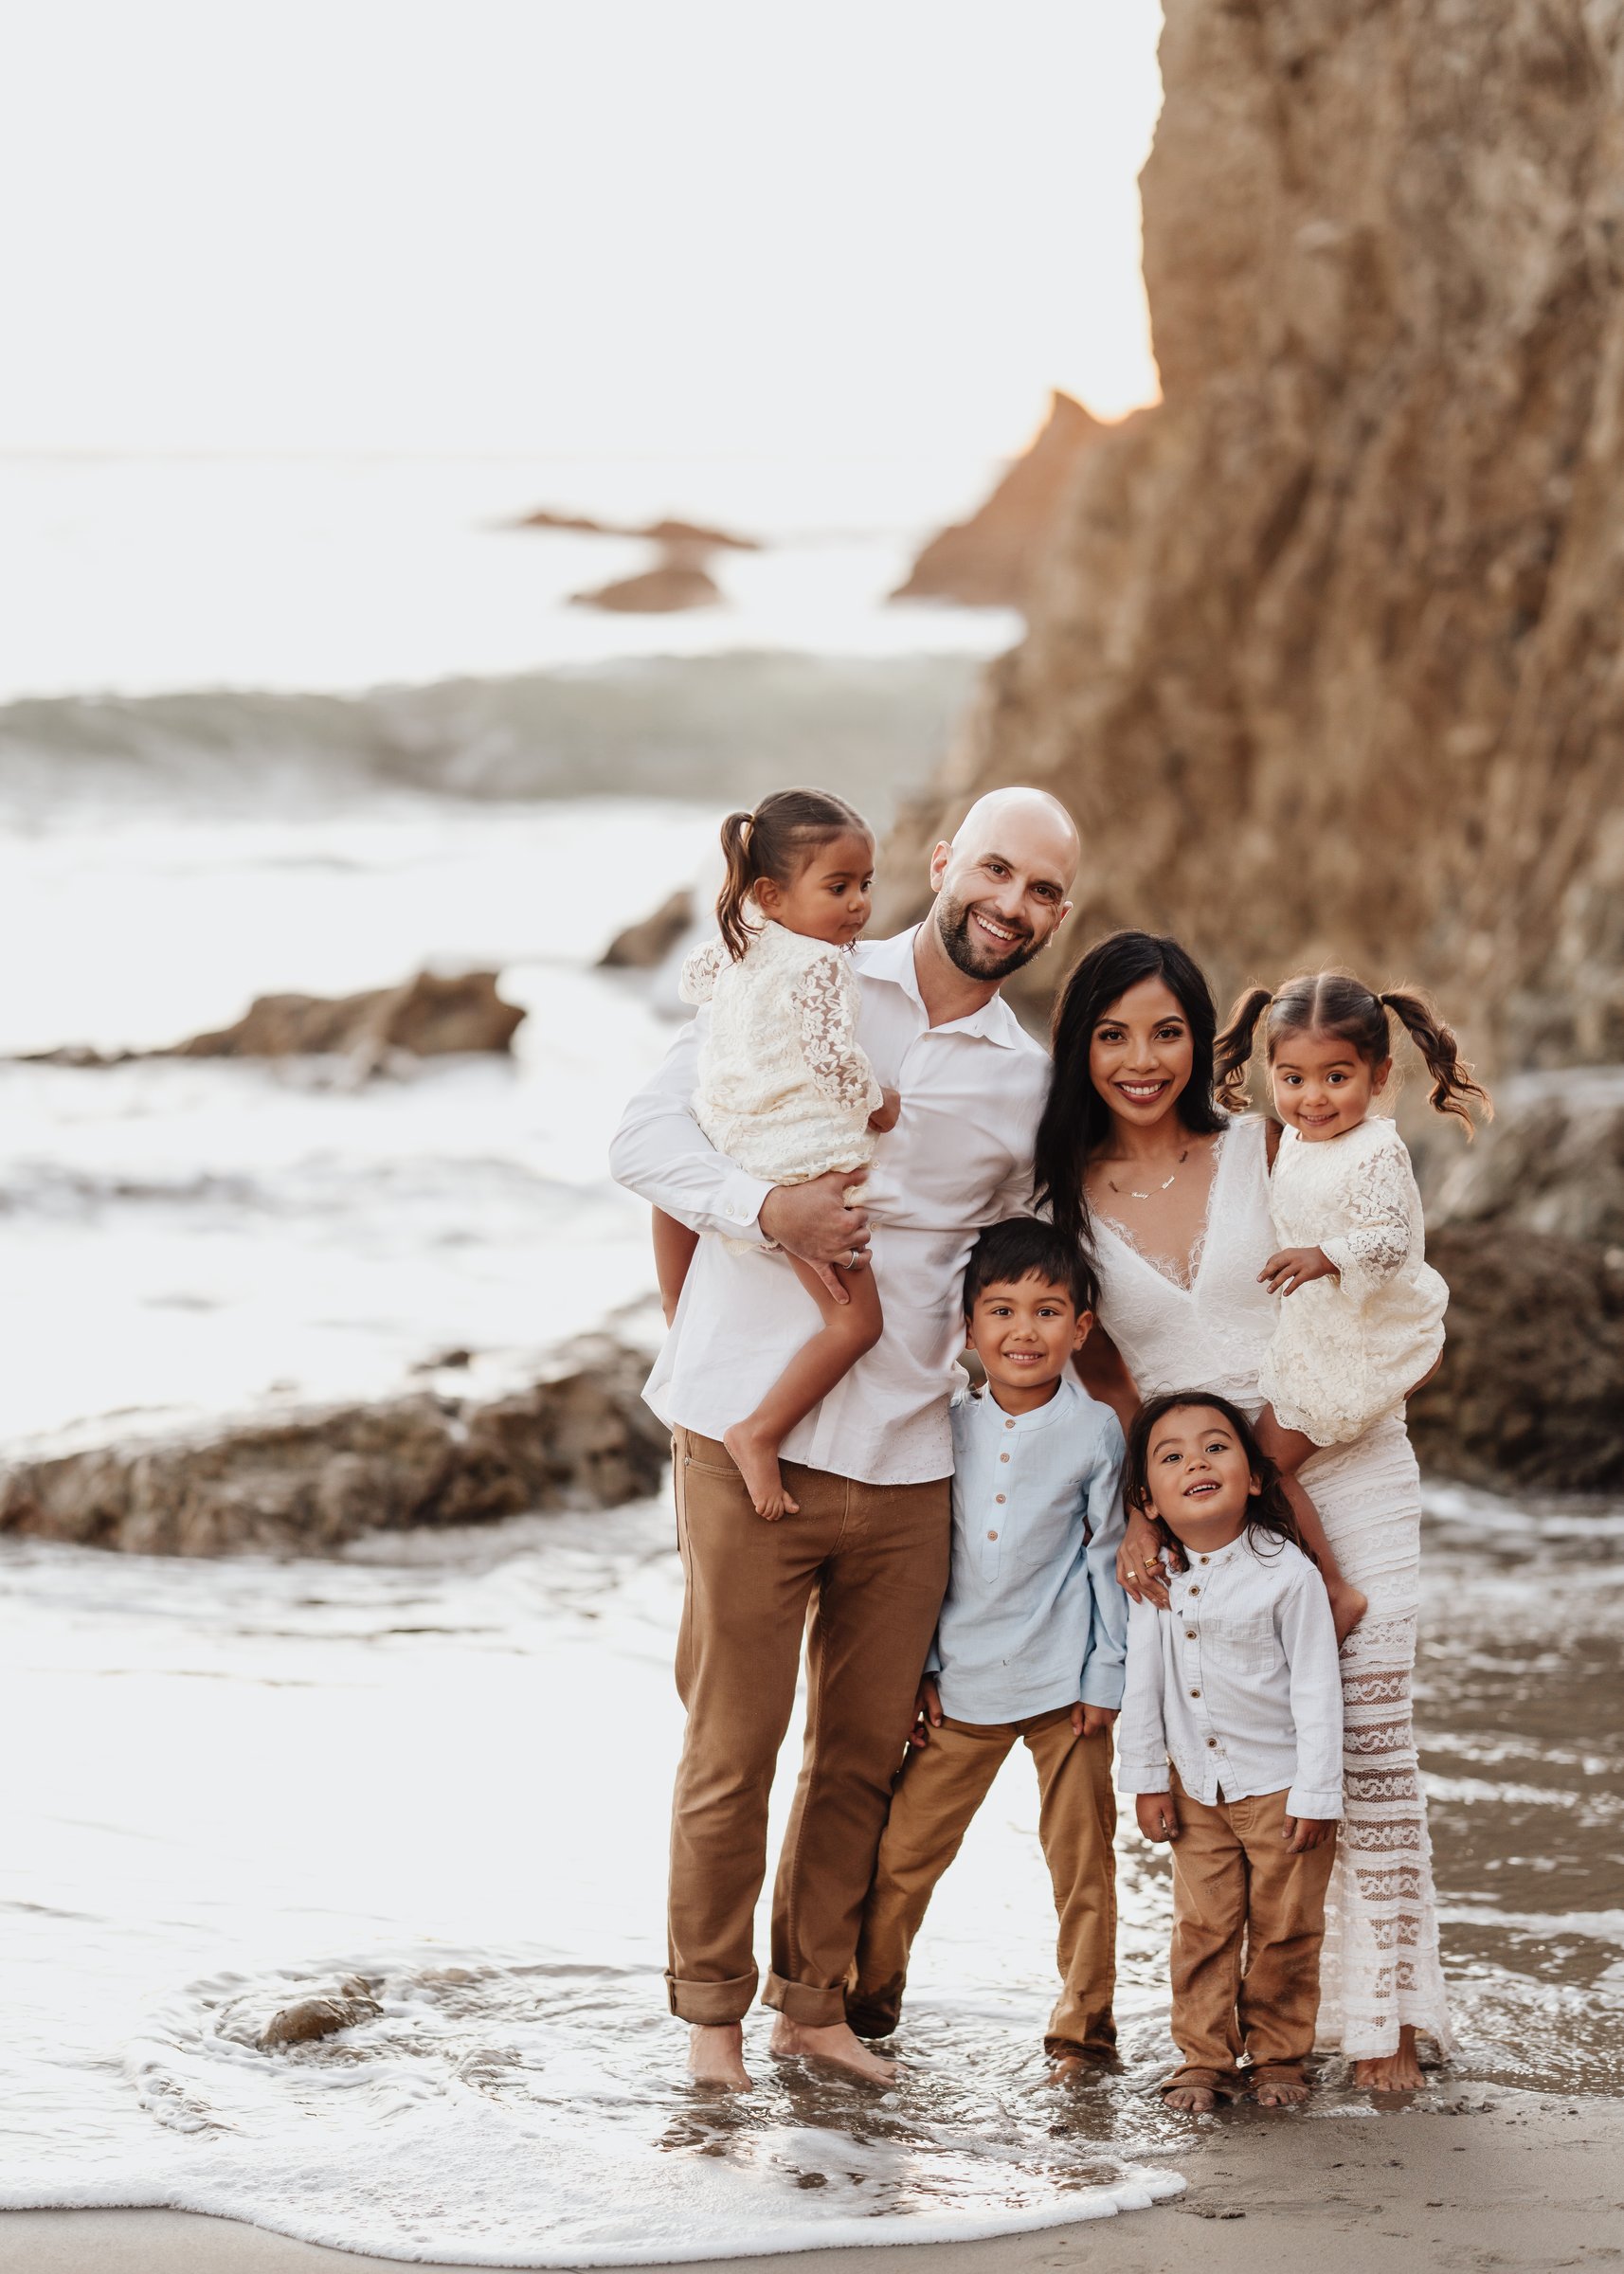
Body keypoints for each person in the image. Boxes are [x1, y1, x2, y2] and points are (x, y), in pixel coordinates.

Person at [610, 787, 1081, 2090]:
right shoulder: (798, 969)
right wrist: (768, 1215)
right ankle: (708, 2023)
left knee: (860, 1758)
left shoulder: (1027, 1083)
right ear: (944, 863)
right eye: (995, 869)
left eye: (1043, 890)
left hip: (910, 1460)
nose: (1011, 904)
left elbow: (1034, 1270)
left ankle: (808, 2008)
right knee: (731, 1748)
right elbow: (647, 1139)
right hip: (739, 1437)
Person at [1034, 929, 1454, 2092]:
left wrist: (1287, 1450)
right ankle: (1258, 2021)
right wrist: (1137, 1512)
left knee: (1366, 1740)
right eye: (1113, 1034)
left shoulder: (1273, 1142)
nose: (1142, 1057)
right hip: (1201, 1498)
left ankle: (1391, 2020)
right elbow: (1109, 1379)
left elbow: (1385, 1302)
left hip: (1338, 1454)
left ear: (1201, 1040)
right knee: (1238, 1766)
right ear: (1081, 1047)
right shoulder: (1062, 1196)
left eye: (1168, 1031)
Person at [846, 1218, 1127, 2077]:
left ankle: (1084, 2031)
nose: (1023, 1331)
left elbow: (1107, 1557)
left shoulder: (1096, 1432)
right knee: (902, 1856)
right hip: (961, 1686)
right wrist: (923, 1668)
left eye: (1047, 1312)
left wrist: (1106, 1675)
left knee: (1082, 1868)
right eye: (1000, 1311)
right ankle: (866, 2001)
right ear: (968, 1327)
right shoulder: (947, 1424)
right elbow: (923, 1556)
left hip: (1063, 1688)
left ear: (1080, 1328)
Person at [652, 789, 900, 1519]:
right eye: (837, 888)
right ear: (772, 890)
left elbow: (690, 980)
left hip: (733, 1138)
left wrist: (753, 925)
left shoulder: (744, 943)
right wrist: (880, 1100)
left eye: (864, 886)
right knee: (857, 1324)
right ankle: (758, 1432)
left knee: (680, 1219)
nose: (857, 905)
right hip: (803, 1163)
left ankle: (678, 1320)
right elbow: (832, 1060)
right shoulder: (822, 967)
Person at [1117, 1392, 1343, 2113]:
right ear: (1148, 1501)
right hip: (1194, 1788)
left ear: (1252, 1477)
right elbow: (1143, 1686)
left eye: (1216, 1447)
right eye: (1172, 1457)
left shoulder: (1287, 1574)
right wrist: (1148, 1780)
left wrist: (1316, 1794)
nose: (1196, 1463)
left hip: (1281, 1787)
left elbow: (1316, 1690)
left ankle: (1279, 2059)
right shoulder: (1155, 1582)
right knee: (1203, 1929)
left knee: (1284, 1933)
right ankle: (1203, 2059)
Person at [1213, 970, 1489, 1453]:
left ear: (1378, 1074)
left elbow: (1390, 1238)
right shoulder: (1294, 1139)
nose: (1314, 1097)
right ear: (1270, 1072)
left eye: (1336, 1077)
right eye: (1293, 1079)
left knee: (1262, 1466)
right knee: (1264, 1468)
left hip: (1363, 1336)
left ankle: (1295, 1531)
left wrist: (1324, 1255)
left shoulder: (1374, 1149)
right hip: (1312, 1325)